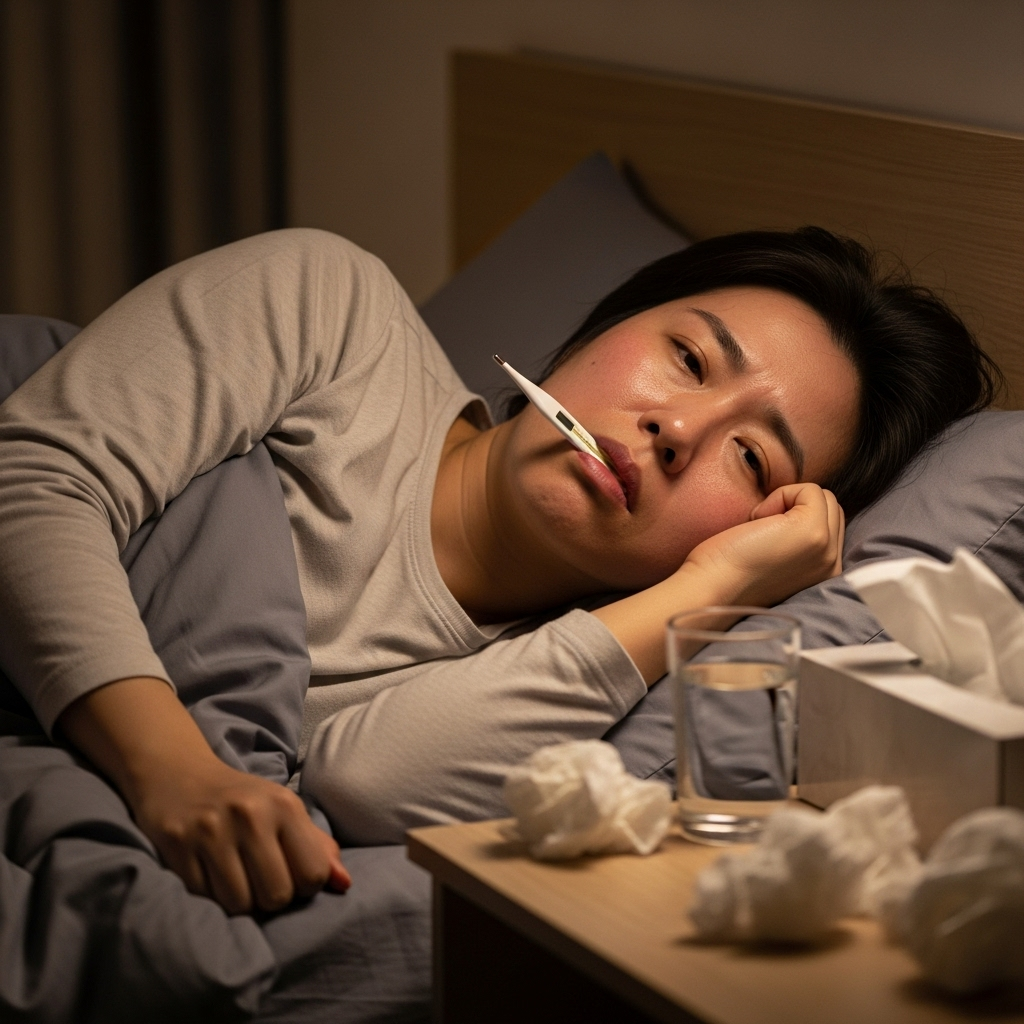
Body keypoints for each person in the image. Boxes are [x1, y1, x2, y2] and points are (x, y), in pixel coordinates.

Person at [0, 227, 996, 918]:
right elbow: (34, 476)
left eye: (751, 458)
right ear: (603, 328)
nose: (676, 428)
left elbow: (363, 784)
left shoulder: (559, 683)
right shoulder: (329, 309)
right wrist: (174, 770)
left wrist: (707, 593)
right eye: (689, 360)